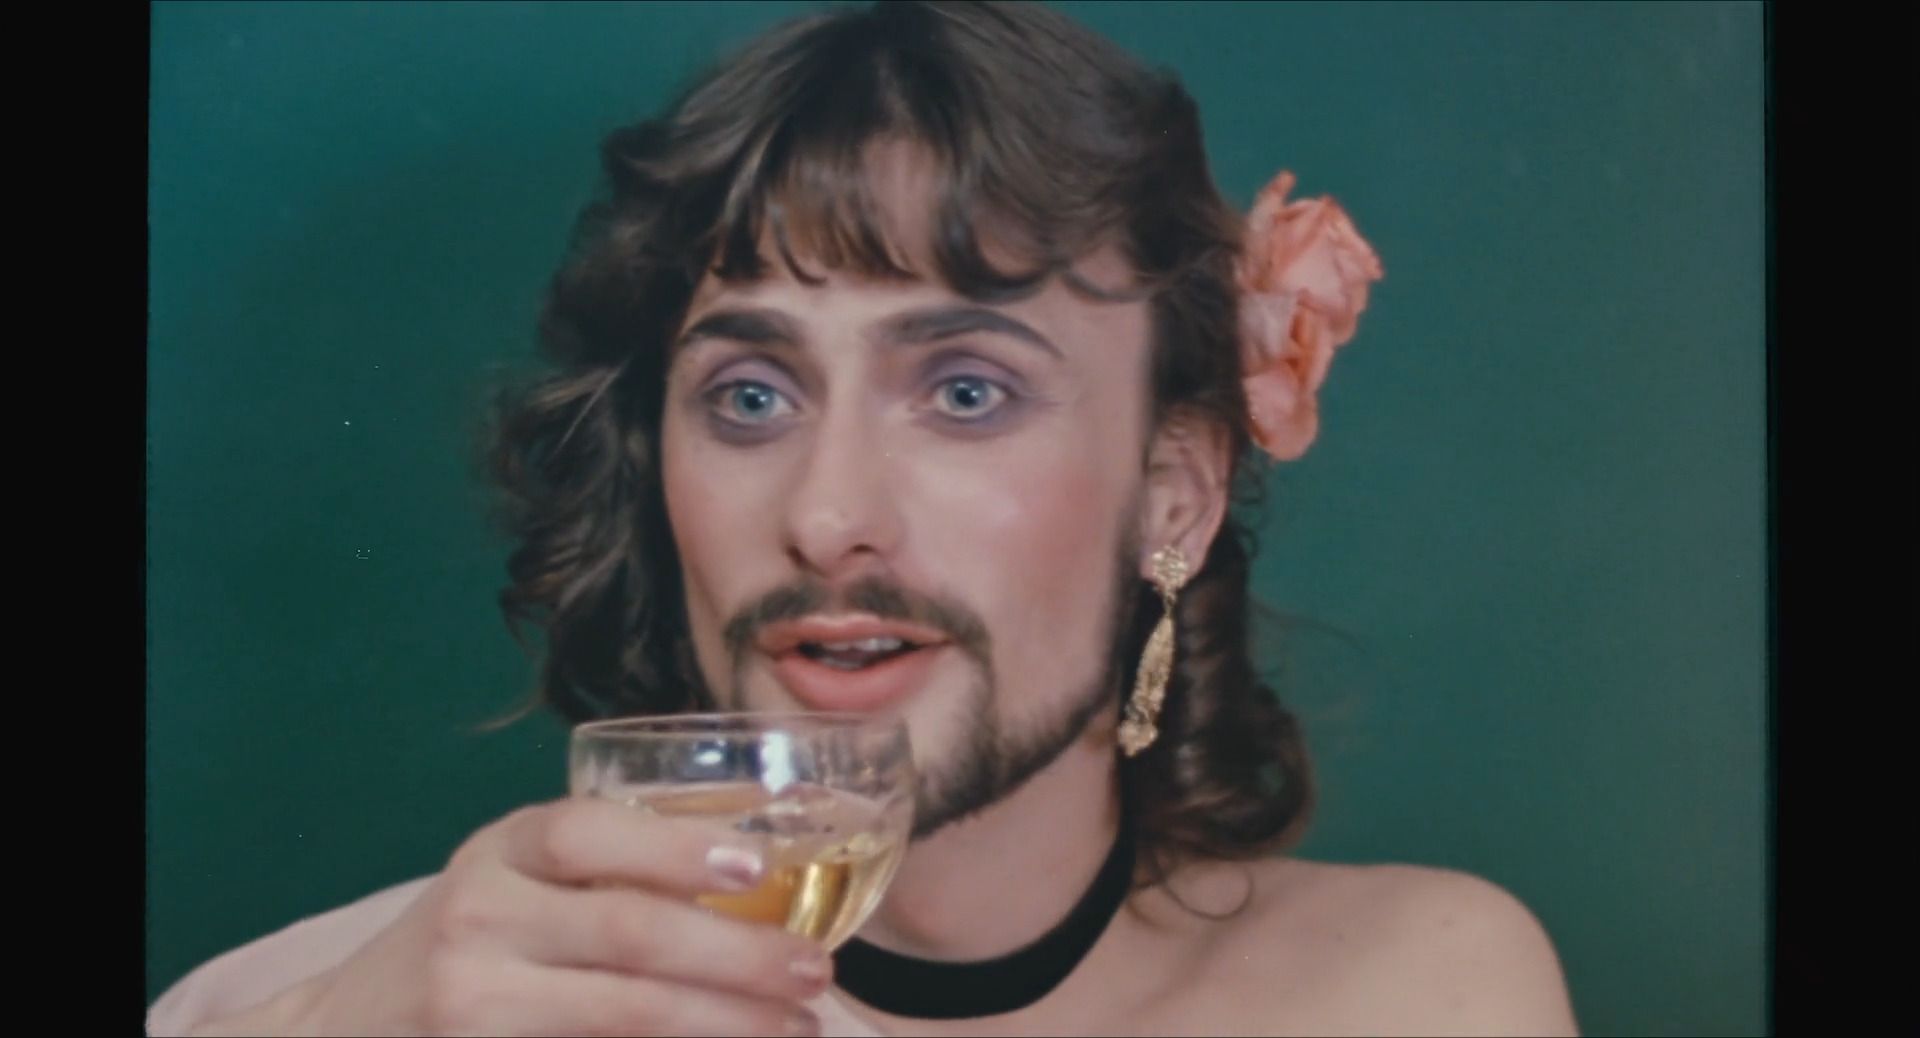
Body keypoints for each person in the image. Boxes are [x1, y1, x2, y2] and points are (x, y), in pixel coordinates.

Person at [148, 2, 1578, 1034]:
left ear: (1177, 492)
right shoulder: (358, 1005)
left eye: (966, 391)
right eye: (750, 396)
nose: (828, 517)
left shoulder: (1427, 990)